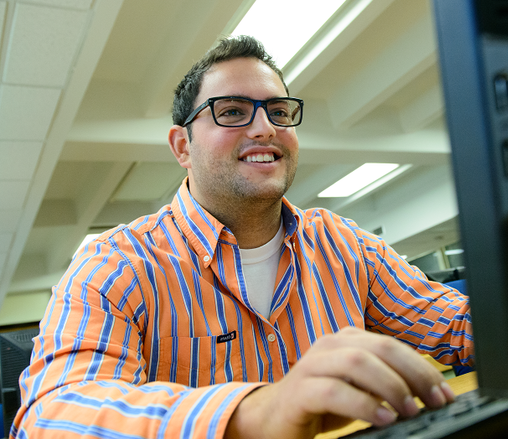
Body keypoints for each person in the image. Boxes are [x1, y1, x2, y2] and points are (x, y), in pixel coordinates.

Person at [13, 35, 473, 439]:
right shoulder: (115, 264)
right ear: (182, 147)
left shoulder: (343, 244)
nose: (264, 128)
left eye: (278, 110)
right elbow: (52, 417)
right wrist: (251, 415)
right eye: (231, 110)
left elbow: (456, 326)